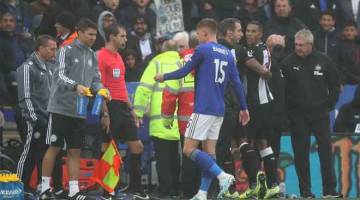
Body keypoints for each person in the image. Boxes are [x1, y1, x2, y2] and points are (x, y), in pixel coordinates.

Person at [154, 18, 250, 200]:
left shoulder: (203, 50)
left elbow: (184, 71)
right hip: (220, 109)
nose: (197, 38)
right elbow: (237, 83)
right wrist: (244, 108)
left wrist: (164, 76)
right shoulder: (228, 53)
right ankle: (202, 192)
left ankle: (222, 176)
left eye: (198, 35)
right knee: (209, 152)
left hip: (203, 108)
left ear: (205, 33)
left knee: (188, 150)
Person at [40, 18, 110, 200]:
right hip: (61, 108)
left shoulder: (92, 55)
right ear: (79, 32)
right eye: (90, 34)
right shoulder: (66, 50)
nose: (93, 38)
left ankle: (73, 190)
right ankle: (44, 188)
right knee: (54, 147)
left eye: (95, 35)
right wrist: (76, 86)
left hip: (79, 110)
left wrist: (100, 88)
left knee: (75, 150)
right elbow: (59, 75)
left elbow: (95, 79)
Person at [281, 29, 342, 198]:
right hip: (298, 116)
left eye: (301, 45)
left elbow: (336, 84)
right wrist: (288, 112)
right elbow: (282, 90)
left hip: (320, 114)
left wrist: (329, 105)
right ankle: (306, 192)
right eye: (296, 45)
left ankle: (329, 190)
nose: (298, 48)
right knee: (300, 154)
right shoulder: (287, 63)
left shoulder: (324, 60)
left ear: (310, 44)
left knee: (325, 152)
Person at [97, 23, 149, 200]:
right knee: (109, 148)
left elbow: (121, 87)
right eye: (122, 36)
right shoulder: (101, 56)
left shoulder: (119, 57)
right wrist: (104, 113)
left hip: (123, 107)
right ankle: (108, 190)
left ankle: (134, 187)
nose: (125, 39)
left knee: (137, 146)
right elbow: (101, 88)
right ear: (112, 36)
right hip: (109, 106)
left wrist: (131, 108)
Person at [133, 39, 181, 198]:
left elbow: (143, 89)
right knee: (176, 156)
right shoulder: (183, 64)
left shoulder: (156, 64)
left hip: (160, 119)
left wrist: (138, 112)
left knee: (162, 157)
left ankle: (165, 191)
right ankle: (176, 189)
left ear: (162, 49)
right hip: (180, 119)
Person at [16, 35, 57, 199]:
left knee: (40, 152)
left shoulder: (51, 66)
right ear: (40, 49)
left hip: (45, 116)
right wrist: (34, 118)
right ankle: (17, 186)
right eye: (51, 49)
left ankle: (40, 186)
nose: (55, 52)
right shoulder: (27, 67)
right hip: (29, 115)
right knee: (27, 150)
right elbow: (25, 97)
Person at [161, 30, 200, 198]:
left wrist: (167, 118)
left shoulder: (180, 63)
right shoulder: (211, 59)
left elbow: (170, 93)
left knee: (189, 159)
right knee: (208, 157)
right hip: (210, 118)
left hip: (186, 122)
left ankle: (188, 194)